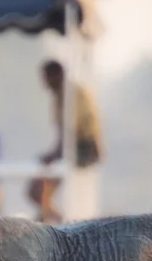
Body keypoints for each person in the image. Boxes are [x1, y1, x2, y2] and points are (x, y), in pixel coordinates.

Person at [32, 58, 103, 224]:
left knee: (41, 190)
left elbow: (74, 130)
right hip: (70, 147)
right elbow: (63, 132)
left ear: (56, 75)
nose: (44, 82)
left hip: (83, 148)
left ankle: (60, 222)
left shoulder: (73, 94)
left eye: (46, 77)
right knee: (37, 192)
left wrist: (55, 154)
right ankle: (56, 219)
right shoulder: (59, 96)